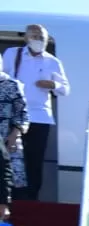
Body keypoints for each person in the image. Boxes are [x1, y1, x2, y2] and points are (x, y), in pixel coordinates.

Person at [1, 25, 66, 201]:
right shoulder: (12, 54)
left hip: (40, 117)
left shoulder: (53, 61)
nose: (38, 40)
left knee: (35, 159)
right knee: (12, 157)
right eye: (34, 36)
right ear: (27, 38)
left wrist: (53, 85)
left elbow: (65, 89)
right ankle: (11, 196)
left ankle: (31, 197)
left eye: (42, 37)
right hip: (15, 116)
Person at [0, 68, 25, 218]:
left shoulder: (11, 85)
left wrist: (14, 134)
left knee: (6, 171)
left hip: (7, 138)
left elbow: (22, 112)